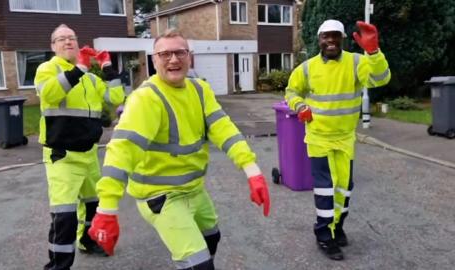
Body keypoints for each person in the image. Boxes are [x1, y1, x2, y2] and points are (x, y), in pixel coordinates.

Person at [87, 29, 271, 270]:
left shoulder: (200, 90)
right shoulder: (146, 98)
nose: (173, 59)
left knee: (212, 237)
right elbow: (122, 149)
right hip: (160, 196)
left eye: (180, 52)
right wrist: (106, 209)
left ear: (190, 57)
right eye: (164, 54)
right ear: (154, 60)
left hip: (194, 190)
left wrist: (252, 171)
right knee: (199, 265)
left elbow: (224, 129)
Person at [285, 19, 390, 260]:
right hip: (318, 139)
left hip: (344, 139)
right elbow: (291, 91)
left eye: (335, 36)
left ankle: (337, 227)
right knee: (325, 189)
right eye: (326, 36)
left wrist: (373, 52)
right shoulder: (307, 68)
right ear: (319, 39)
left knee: (344, 189)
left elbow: (381, 78)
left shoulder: (356, 62)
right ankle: (324, 235)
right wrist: (299, 105)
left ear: (342, 39)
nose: (330, 40)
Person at [34, 24, 125, 269]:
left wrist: (107, 67)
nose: (68, 42)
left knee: (94, 203)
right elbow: (50, 94)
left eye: (72, 38)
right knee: (65, 215)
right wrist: (81, 68)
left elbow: (116, 98)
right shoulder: (48, 69)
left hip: (89, 153)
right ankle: (57, 266)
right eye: (61, 39)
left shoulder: (91, 78)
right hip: (62, 155)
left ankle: (87, 240)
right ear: (53, 46)